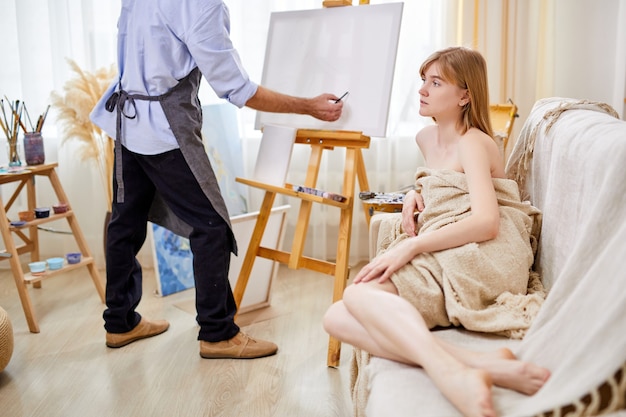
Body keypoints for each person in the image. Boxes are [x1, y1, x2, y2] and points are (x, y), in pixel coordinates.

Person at [90, 0, 343, 360]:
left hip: (126, 126)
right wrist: (308, 106)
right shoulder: (201, 4)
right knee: (211, 227)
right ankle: (218, 333)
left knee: (124, 224)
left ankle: (119, 322)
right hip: (164, 131)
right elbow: (237, 88)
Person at [322, 46, 551, 417]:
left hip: (484, 251)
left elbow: (486, 221)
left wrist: (409, 249)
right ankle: (483, 365)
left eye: (436, 82)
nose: (423, 90)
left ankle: (452, 376)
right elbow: (445, 186)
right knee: (335, 317)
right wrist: (417, 192)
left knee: (355, 297)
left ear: (465, 95)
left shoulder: (474, 141)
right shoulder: (425, 139)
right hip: (449, 244)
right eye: (423, 81)